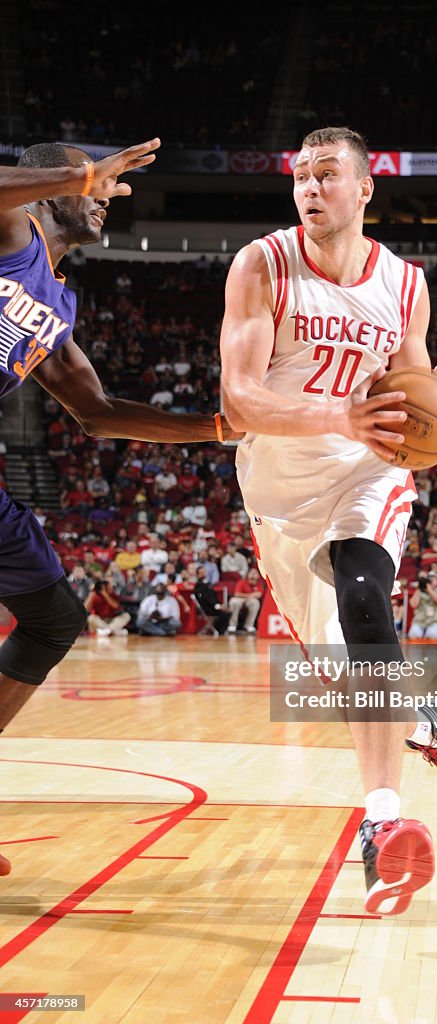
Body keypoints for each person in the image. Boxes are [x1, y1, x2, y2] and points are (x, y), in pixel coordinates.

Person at [219, 125, 437, 916]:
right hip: (278, 489)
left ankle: (382, 823)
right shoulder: (263, 265)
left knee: (367, 597)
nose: (310, 187)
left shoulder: (406, 285)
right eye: (301, 175)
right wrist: (338, 415)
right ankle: (430, 722)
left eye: (328, 174)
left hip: (368, 472)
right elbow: (239, 399)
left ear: (365, 188)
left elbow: (415, 389)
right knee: (348, 674)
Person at [0, 137, 240, 875]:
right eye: (94, 181)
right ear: (47, 187)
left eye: (103, 183)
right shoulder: (14, 230)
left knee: (56, 618)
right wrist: (77, 171)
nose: (106, 193)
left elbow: (97, 411)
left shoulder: (57, 299)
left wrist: (215, 429)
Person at [193, 564, 231, 635]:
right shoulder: (199, 586)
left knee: (227, 612)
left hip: (212, 606)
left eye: (204, 571)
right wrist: (217, 606)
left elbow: (213, 597)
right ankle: (220, 630)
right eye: (201, 572)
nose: (203, 573)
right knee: (225, 614)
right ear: (197, 575)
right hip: (207, 608)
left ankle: (220, 630)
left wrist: (219, 604)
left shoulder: (208, 583)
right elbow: (205, 599)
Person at [227, 566, 265, 634]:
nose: (253, 575)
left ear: (259, 576)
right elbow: (237, 594)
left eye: (255, 573)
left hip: (251, 600)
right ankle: (232, 625)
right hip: (240, 599)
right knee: (234, 601)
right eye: (251, 573)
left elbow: (259, 595)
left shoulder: (259, 584)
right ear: (248, 574)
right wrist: (250, 595)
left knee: (255, 603)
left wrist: (250, 596)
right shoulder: (241, 582)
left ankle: (249, 625)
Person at [407, 571, 437, 639]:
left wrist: (429, 589)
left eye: (433, 580)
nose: (431, 581)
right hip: (419, 620)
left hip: (433, 620)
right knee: (413, 634)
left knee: (431, 635)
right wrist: (420, 587)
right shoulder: (419, 592)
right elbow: (413, 604)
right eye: (430, 579)